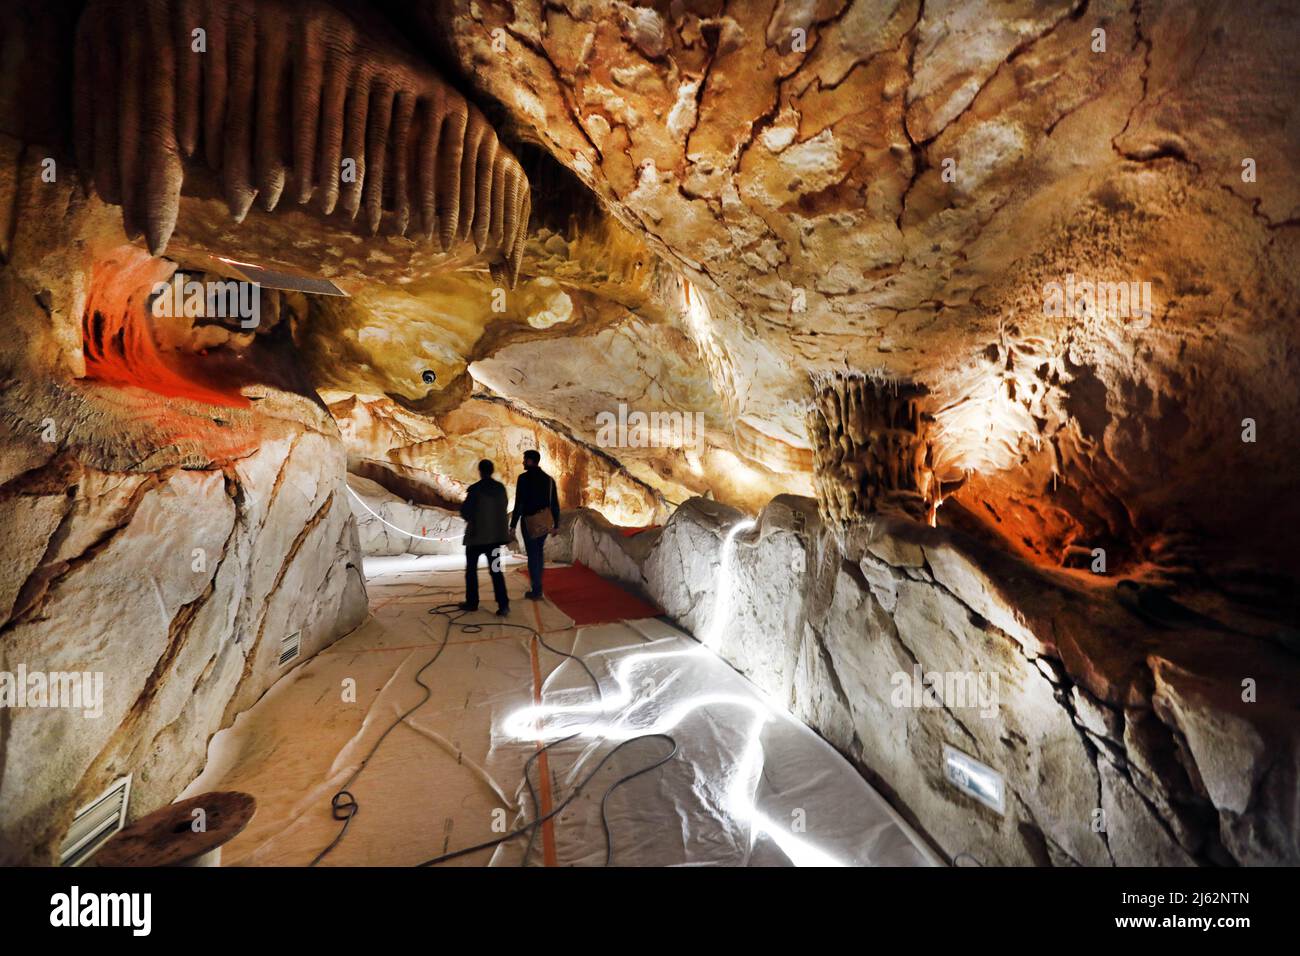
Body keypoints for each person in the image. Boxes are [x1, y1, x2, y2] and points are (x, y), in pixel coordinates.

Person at [459, 459, 511, 616]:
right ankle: (503, 605)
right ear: (492, 471)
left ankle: (472, 602)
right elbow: (503, 509)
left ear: (480, 471)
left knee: (471, 572)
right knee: (496, 571)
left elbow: (465, 512)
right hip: (494, 539)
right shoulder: (500, 489)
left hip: (476, 539)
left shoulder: (475, 489)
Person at [510, 449, 560, 600]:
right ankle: (538, 586)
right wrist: (556, 524)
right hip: (544, 521)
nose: (523, 462)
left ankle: (536, 590)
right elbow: (555, 504)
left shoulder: (523, 479)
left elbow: (519, 503)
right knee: (539, 552)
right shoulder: (549, 480)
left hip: (529, 521)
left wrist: (512, 525)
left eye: (525, 459)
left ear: (531, 461)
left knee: (532, 555)